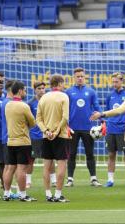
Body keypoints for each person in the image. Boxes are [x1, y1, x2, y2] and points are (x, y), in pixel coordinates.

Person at [36, 74, 70, 202]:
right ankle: (58, 194)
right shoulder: (64, 96)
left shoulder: (43, 98)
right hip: (60, 135)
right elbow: (65, 117)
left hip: (46, 136)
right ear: (60, 84)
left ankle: (48, 194)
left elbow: (38, 119)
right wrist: (56, 132)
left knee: (46, 166)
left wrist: (46, 131)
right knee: (61, 164)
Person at [65, 68, 102, 187]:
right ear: (74, 78)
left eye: (82, 76)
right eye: (77, 76)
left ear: (85, 77)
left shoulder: (91, 92)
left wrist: (102, 120)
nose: (80, 78)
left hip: (88, 128)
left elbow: (96, 107)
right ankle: (70, 179)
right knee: (72, 154)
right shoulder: (69, 92)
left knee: (90, 153)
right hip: (72, 128)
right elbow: (65, 109)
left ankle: (93, 178)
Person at [3, 81, 36, 202]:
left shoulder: (7, 105)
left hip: (10, 141)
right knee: (22, 169)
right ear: (20, 91)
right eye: (25, 90)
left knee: (10, 168)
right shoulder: (24, 106)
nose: (25, 92)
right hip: (22, 141)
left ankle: (6, 193)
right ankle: (22, 195)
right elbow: (33, 123)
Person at [104, 72, 125, 187]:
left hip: (123, 129)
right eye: (113, 82)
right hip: (111, 129)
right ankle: (110, 180)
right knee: (111, 155)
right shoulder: (109, 96)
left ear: (122, 81)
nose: (114, 84)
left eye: (116, 81)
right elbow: (107, 111)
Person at [27, 82, 56, 189]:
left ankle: (53, 180)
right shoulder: (30, 103)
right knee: (31, 159)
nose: (42, 90)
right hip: (34, 135)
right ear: (34, 90)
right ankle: (28, 181)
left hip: (47, 134)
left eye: (43, 88)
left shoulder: (48, 101)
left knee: (50, 158)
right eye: (39, 88)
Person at [1, 79, 19, 199]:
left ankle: (7, 192)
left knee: (8, 166)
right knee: (13, 166)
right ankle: (11, 192)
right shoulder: (10, 103)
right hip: (12, 137)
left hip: (5, 137)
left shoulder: (4, 102)